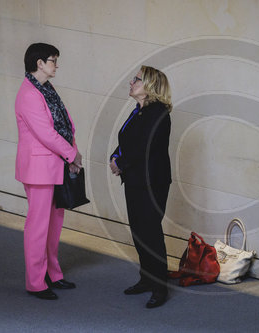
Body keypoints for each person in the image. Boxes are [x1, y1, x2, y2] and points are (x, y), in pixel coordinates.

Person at [15, 43, 82, 300]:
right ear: (39, 63)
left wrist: (72, 153)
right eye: (53, 60)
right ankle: (35, 281)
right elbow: (46, 133)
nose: (56, 64)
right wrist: (72, 154)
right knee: (38, 226)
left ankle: (52, 273)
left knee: (54, 225)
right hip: (39, 169)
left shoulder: (46, 89)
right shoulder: (28, 94)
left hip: (56, 165)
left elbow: (66, 123)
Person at [110, 65, 172, 308]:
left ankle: (159, 287)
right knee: (138, 232)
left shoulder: (159, 113)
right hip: (135, 181)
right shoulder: (138, 111)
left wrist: (121, 163)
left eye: (136, 79)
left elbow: (145, 147)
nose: (131, 82)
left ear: (149, 86)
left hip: (151, 183)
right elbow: (126, 139)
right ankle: (146, 279)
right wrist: (116, 157)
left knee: (151, 234)